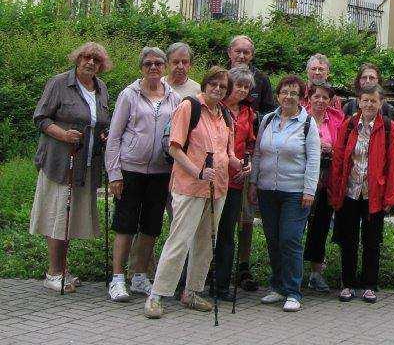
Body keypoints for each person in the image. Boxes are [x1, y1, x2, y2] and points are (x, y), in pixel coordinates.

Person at [144, 67, 246, 319]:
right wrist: (198, 172)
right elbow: (175, 148)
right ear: (205, 84)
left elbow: (228, 152)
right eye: (213, 84)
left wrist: (240, 164)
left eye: (223, 87)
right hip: (190, 186)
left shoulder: (225, 114)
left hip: (218, 187)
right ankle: (156, 295)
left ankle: (192, 292)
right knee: (179, 240)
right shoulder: (189, 107)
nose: (218, 89)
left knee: (205, 243)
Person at [29, 42, 112, 292]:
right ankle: (54, 273)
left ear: (101, 66)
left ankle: (64, 270)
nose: (90, 63)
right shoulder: (59, 83)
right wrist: (63, 135)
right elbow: (41, 118)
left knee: (70, 217)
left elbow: (100, 122)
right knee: (57, 215)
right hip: (60, 161)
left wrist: (104, 135)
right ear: (77, 59)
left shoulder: (101, 88)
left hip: (85, 163)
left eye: (96, 60)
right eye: (86, 57)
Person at [104, 47, 181, 302]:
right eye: (148, 64)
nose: (153, 68)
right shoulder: (129, 95)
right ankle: (117, 278)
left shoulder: (174, 98)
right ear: (141, 67)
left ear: (164, 67)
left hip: (160, 171)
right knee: (124, 225)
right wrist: (114, 173)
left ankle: (139, 275)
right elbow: (114, 137)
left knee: (151, 225)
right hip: (130, 169)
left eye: (158, 64)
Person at [251, 76, 320, 312]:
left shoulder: (308, 123)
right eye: (284, 92)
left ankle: (293, 291)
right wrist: (253, 183)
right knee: (273, 239)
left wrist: (309, 190)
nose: (288, 96)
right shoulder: (268, 119)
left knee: (290, 239)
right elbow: (258, 154)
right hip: (268, 190)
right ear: (278, 95)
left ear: (301, 97)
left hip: (295, 192)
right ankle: (278, 286)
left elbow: (313, 160)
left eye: (293, 92)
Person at [327, 83, 394, 303]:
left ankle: (369, 284)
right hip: (350, 191)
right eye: (365, 100)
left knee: (372, 240)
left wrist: (389, 196)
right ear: (359, 102)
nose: (369, 104)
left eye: (373, 101)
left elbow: (393, 164)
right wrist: (336, 190)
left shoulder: (388, 127)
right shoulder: (349, 125)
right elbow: (339, 159)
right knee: (348, 239)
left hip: (374, 192)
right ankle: (348, 283)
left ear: (380, 103)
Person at [227, 33, 275, 291]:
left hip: (249, 157)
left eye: (247, 52)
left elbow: (270, 113)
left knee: (245, 218)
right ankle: (216, 265)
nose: (242, 56)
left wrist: (253, 116)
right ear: (229, 53)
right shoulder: (220, 78)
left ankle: (243, 266)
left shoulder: (262, 80)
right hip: (221, 164)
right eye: (238, 51)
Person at [211, 66, 258, 299]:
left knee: (228, 232)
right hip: (213, 178)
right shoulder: (216, 108)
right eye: (238, 85)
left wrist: (247, 163)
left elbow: (250, 143)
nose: (241, 90)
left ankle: (221, 285)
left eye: (246, 86)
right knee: (207, 231)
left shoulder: (249, 112)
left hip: (236, 180)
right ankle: (197, 280)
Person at [302, 80, 345, 292]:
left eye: (325, 97)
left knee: (321, 224)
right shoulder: (300, 116)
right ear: (309, 97)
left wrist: (332, 149)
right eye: (316, 96)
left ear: (331, 101)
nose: (320, 101)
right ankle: (289, 272)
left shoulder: (337, 119)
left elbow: (345, 147)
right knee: (296, 225)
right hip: (301, 178)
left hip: (328, 177)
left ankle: (316, 273)